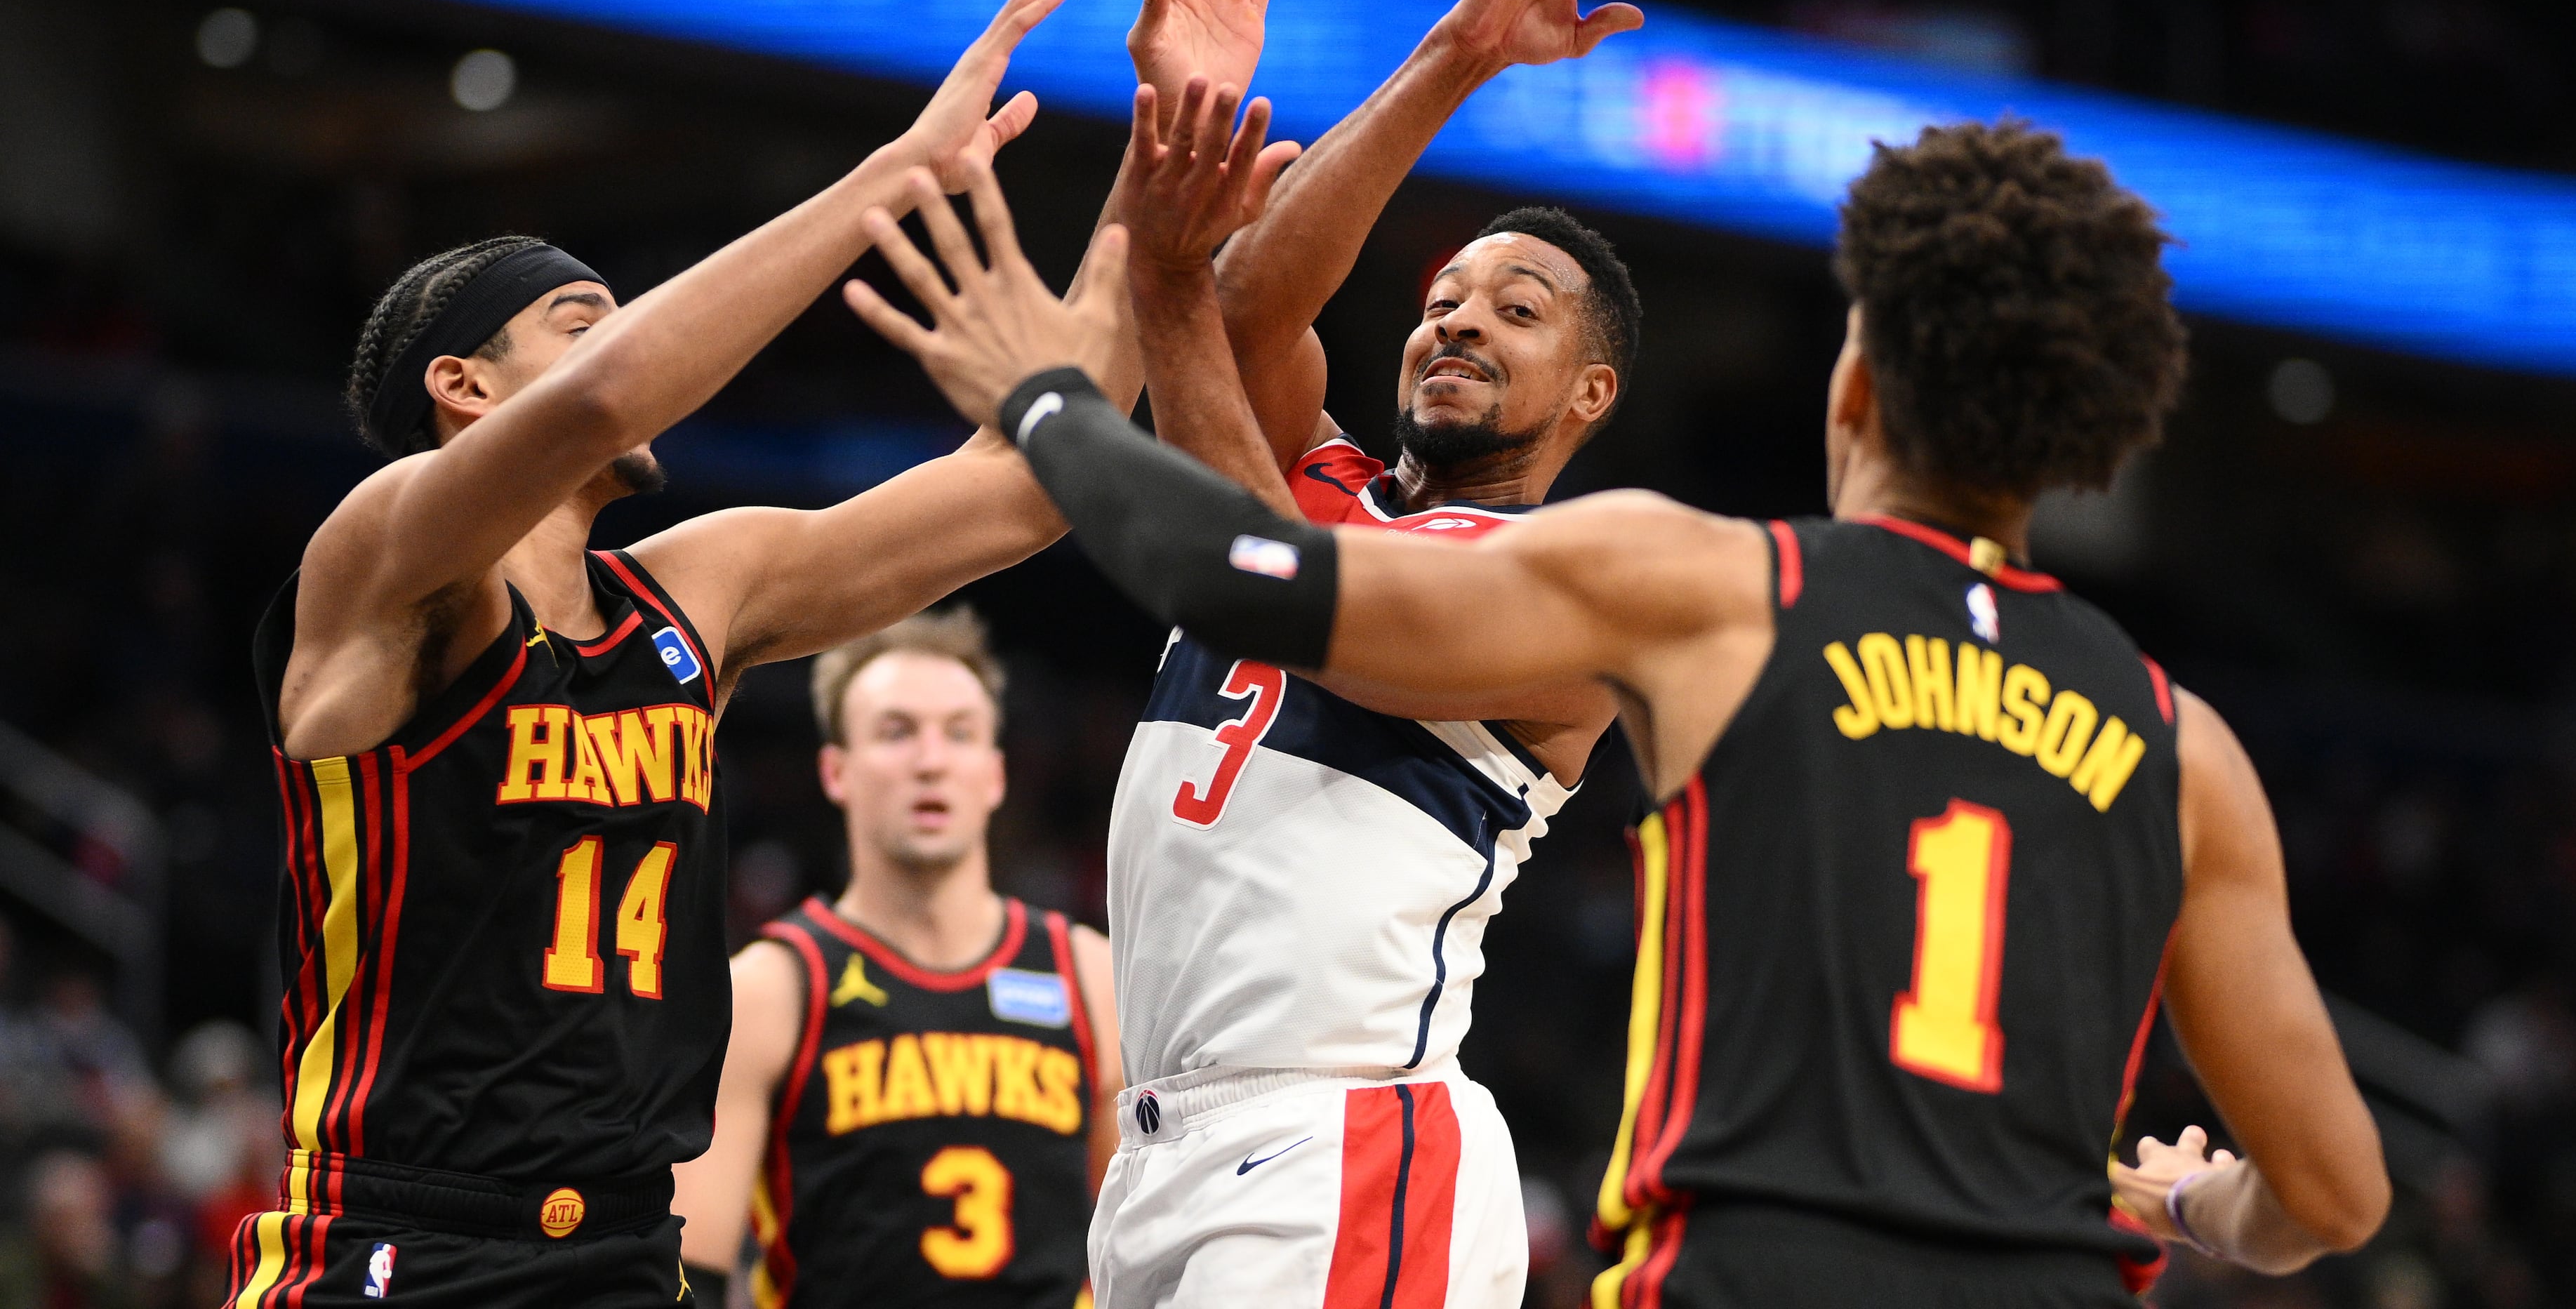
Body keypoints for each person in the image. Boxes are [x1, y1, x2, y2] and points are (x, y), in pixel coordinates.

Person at [842, 119, 2394, 1309]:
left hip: (1726, 1257)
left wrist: (1043, 392)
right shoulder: (2181, 743)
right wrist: (2195, 1211)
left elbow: (1244, 575)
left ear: (1852, 391)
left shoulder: (1715, 587)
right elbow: (2334, 1195)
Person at [230, 0, 1138, 1308]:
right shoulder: (381, 553)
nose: (633, 350)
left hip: (624, 1249)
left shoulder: (693, 593)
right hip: (401, 1239)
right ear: (466, 386)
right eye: (584, 318)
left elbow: (1019, 494)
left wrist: (1158, 201)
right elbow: (600, 402)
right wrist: (894, 177)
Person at [1061, 0, 1674, 1309]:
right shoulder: (1308, 479)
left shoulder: (1572, 591)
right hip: (1161, 1146)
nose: (1459, 317)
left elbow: (1279, 586)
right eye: (1443, 296)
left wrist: (1164, 285)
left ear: (1591, 391)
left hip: (1347, 1140)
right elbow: (1241, 313)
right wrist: (1462, 47)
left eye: (1516, 311)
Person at [670, 609, 1121, 1307]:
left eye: (960, 734)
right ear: (836, 771)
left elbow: (1144, 1242)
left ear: (996, 774)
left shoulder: (1090, 977)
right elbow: (689, 1271)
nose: (931, 760)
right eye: (896, 731)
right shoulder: (769, 991)